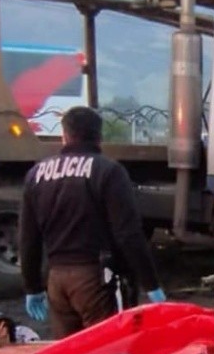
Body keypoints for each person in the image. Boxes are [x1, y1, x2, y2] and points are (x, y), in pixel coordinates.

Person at [19, 106, 165, 338]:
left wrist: (33, 287)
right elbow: (128, 234)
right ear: (99, 137)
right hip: (95, 280)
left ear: (64, 136)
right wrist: (151, 285)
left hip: (57, 281)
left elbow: (28, 238)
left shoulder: (36, 174)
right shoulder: (108, 171)